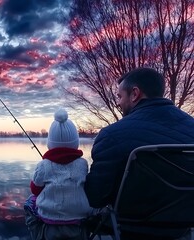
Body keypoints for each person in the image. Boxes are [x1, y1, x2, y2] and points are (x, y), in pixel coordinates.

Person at [84, 67, 194, 239]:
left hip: (131, 231)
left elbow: (96, 198)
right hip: (184, 229)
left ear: (135, 94)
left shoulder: (112, 136)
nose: (118, 103)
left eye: (120, 96)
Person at [24, 108, 92, 240]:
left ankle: (38, 234)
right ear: (75, 143)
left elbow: (35, 190)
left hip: (49, 219)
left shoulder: (43, 165)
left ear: (50, 143)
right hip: (79, 218)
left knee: (29, 202)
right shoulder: (83, 164)